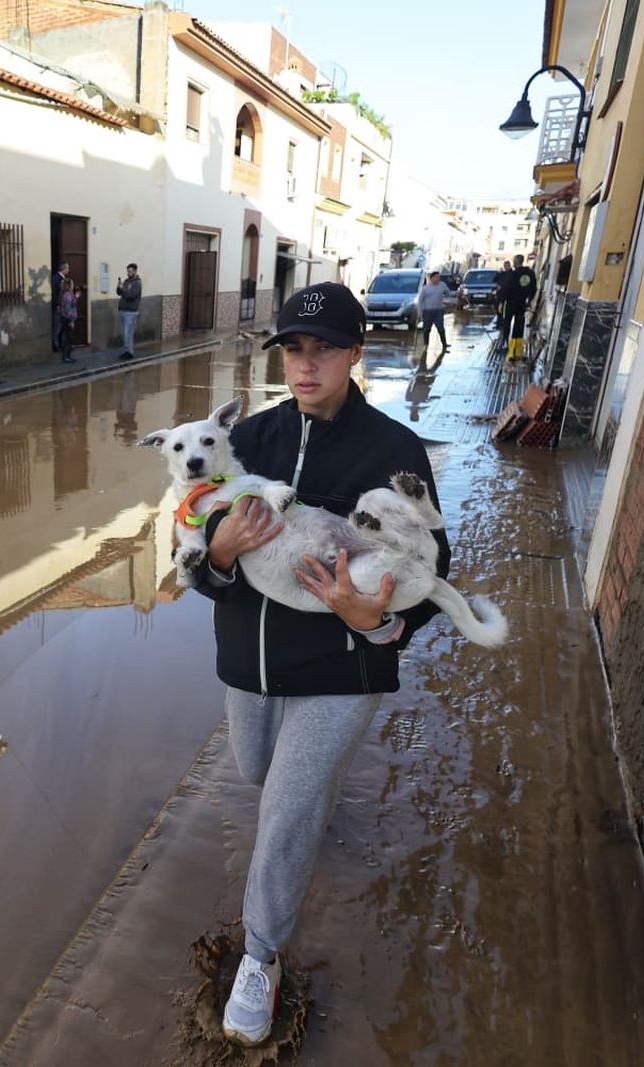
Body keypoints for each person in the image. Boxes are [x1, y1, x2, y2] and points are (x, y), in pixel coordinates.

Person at [190, 282, 449, 1046]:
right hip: (251, 664)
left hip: (342, 669)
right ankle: (308, 798)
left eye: (325, 349)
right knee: (255, 771)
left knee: (286, 811)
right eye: (294, 350)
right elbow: (194, 566)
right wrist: (220, 554)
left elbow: (437, 570)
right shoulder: (248, 444)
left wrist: (382, 620)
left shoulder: (394, 450)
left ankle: (261, 956)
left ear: (355, 353)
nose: (307, 366)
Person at [504, 254, 538, 361]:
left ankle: (508, 350)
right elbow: (534, 289)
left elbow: (507, 288)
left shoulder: (512, 274)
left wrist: (501, 301)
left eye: (514, 261)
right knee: (519, 326)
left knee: (507, 324)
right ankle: (518, 352)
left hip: (510, 303)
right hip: (522, 304)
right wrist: (529, 300)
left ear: (515, 262)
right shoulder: (530, 273)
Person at [417, 270, 449, 355]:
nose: (438, 279)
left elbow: (448, 293)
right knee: (427, 329)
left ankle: (445, 344)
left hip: (439, 310)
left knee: (441, 328)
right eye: (436, 277)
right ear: (431, 278)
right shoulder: (426, 288)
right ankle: (426, 344)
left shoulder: (442, 285)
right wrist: (420, 311)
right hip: (428, 311)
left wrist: (458, 293)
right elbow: (420, 301)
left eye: (439, 277)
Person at [115, 263, 142, 359]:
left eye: (130, 271)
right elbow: (119, 293)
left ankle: (129, 352)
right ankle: (127, 351)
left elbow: (131, 295)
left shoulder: (137, 283)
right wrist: (119, 286)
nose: (128, 273)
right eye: (128, 271)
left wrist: (123, 289)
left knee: (128, 333)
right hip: (123, 310)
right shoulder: (126, 281)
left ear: (135, 271)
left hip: (131, 312)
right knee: (124, 333)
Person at [50, 262, 72, 352]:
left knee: (61, 326)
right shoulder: (56, 279)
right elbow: (55, 293)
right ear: (63, 269)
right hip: (59, 306)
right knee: (57, 326)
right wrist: (57, 305)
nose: (68, 270)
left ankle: (61, 344)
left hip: (62, 306)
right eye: (67, 268)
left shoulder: (62, 278)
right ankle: (55, 345)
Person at [58, 279, 79, 364]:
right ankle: (66, 357)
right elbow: (68, 309)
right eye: (72, 284)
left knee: (68, 337)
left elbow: (71, 305)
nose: (73, 285)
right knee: (68, 338)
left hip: (65, 318)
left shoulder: (68, 294)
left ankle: (67, 356)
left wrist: (76, 298)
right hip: (67, 318)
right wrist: (72, 320)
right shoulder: (67, 295)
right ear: (69, 285)